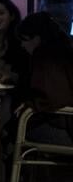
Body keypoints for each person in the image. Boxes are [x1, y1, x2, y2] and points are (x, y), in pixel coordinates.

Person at [15, 12, 73, 145]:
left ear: (37, 38)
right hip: (65, 125)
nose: (22, 45)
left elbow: (53, 97)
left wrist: (31, 104)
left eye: (24, 39)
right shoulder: (64, 49)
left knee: (13, 130)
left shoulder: (44, 56)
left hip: (61, 127)